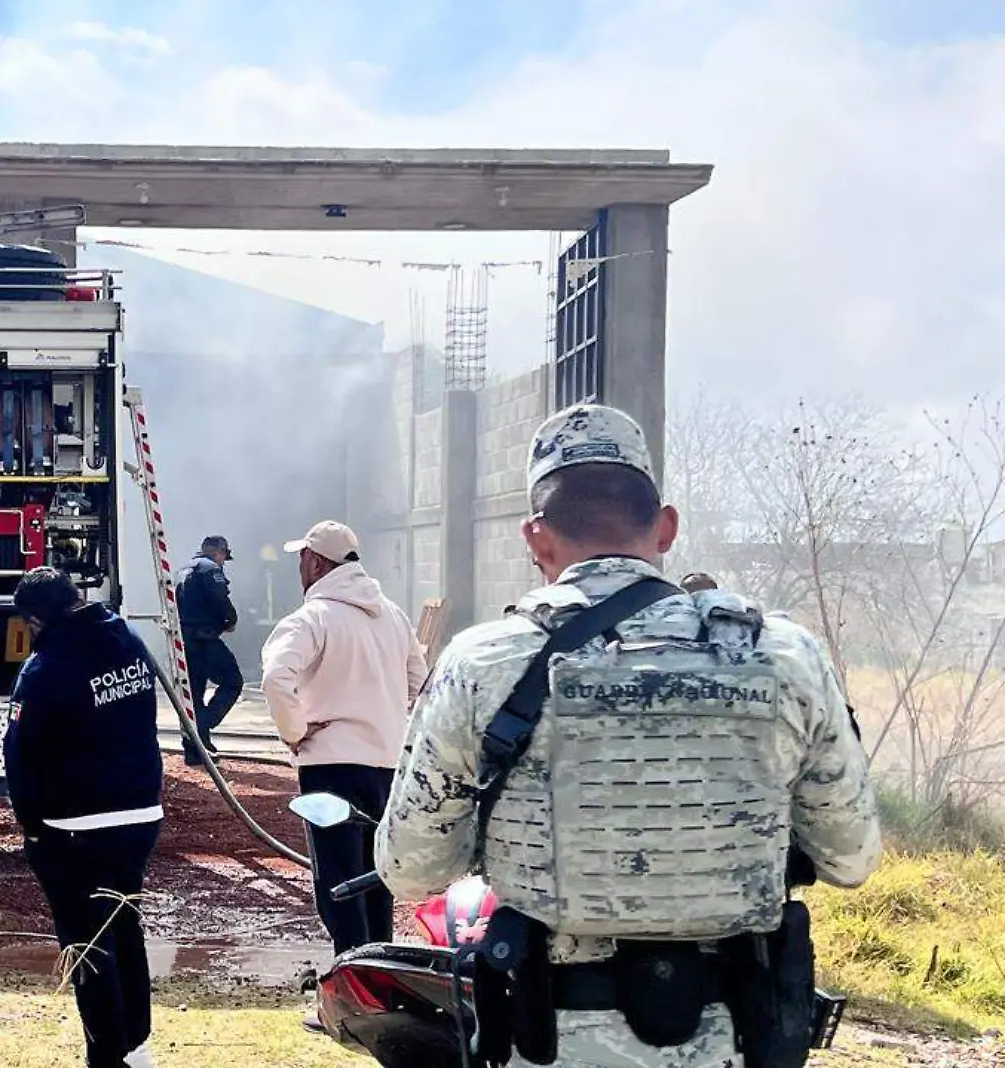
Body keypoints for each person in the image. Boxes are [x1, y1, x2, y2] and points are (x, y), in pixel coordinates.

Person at [375, 403, 882, 1067]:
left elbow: (411, 868)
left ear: (535, 538)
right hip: (735, 1040)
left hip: (551, 1041)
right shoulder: (784, 657)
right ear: (666, 527)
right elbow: (851, 858)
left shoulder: (481, 665)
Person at [4, 567, 164, 1068]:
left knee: (86, 941)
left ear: (34, 619)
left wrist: (31, 825)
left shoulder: (45, 666)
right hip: (140, 813)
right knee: (123, 924)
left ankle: (106, 1055)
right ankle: (136, 1042)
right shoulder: (128, 639)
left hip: (78, 826)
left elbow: (20, 755)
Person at [261, 521, 426, 990]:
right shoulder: (392, 615)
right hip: (386, 764)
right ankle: (383, 980)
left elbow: (277, 678)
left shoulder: (311, 619)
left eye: (302, 559)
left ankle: (354, 984)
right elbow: (421, 681)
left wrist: (295, 730)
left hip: (331, 764)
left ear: (316, 562)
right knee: (376, 878)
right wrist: (390, 717)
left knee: (338, 880)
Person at [174, 535, 243, 767]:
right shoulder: (210, 568)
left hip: (183, 640)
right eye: (224, 556)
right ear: (219, 552)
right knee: (232, 681)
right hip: (204, 639)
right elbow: (220, 599)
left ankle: (195, 750)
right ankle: (202, 724)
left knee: (193, 693)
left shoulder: (183, 570)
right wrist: (230, 620)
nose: (224, 562)